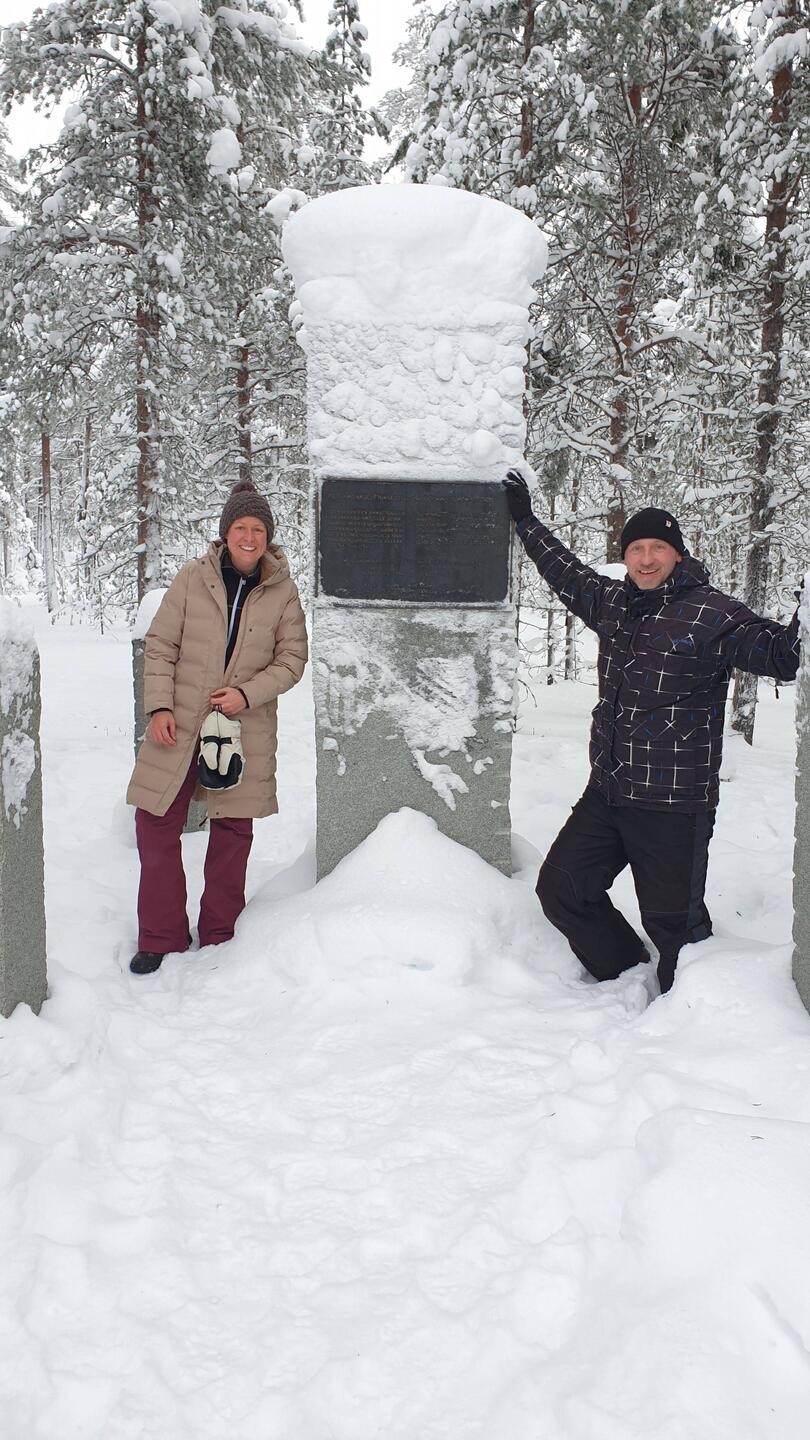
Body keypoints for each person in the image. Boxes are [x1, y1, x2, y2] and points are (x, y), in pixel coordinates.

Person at [501, 469, 801, 993]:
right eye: (636, 548)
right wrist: (526, 521)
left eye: (657, 547)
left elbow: (782, 656)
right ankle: (626, 972)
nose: (645, 559)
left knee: (676, 929)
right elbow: (565, 573)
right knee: (563, 889)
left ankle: (687, 1015)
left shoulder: (712, 614)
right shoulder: (613, 603)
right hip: (609, 792)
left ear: (677, 555)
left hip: (672, 805)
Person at [126, 480, 308, 975]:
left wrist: (246, 694)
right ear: (225, 532)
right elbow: (161, 645)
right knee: (155, 820)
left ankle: (220, 932)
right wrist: (159, 707)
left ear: (268, 537)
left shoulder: (283, 591)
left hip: (242, 727)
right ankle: (161, 935)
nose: (249, 538)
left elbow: (292, 660)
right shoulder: (193, 578)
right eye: (240, 527)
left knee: (232, 829)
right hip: (180, 721)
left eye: (258, 530)